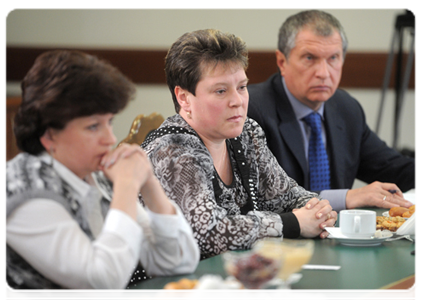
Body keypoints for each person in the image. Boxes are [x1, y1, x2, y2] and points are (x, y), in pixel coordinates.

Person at [4, 50, 199, 300]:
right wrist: (128, 186)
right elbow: (104, 281)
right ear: (50, 134)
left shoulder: (95, 174)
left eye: (110, 122)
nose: (111, 139)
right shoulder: (21, 189)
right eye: (93, 126)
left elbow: (177, 262)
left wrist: (149, 183)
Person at [141, 29, 337, 260]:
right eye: (221, 91)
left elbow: (287, 194)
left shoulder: (246, 132)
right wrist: (293, 223)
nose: (237, 101)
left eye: (242, 87)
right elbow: (208, 234)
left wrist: (317, 210)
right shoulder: (171, 149)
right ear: (184, 98)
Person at [248, 10, 418, 213]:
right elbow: (263, 198)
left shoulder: (346, 108)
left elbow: (393, 168)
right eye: (309, 58)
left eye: (333, 58)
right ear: (282, 62)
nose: (323, 73)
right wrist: (346, 197)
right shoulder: (251, 109)